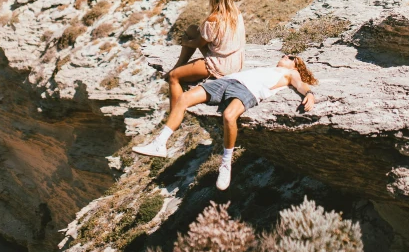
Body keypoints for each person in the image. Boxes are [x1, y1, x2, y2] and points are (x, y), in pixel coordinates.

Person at [133, 54, 317, 190]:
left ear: (296, 65)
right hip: (227, 82)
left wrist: (309, 94)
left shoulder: (291, 74)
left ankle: (226, 164)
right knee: (184, 98)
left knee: (229, 116)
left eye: (291, 57)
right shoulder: (269, 68)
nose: (285, 56)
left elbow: (300, 85)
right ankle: (160, 143)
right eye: (285, 54)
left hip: (247, 91)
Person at [166, 0, 245, 111]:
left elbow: (198, 43)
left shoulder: (214, 18)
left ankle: (175, 114)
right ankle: (178, 65)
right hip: (235, 62)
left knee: (174, 77)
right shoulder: (236, 13)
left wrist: (185, 41)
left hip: (221, 64)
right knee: (192, 29)